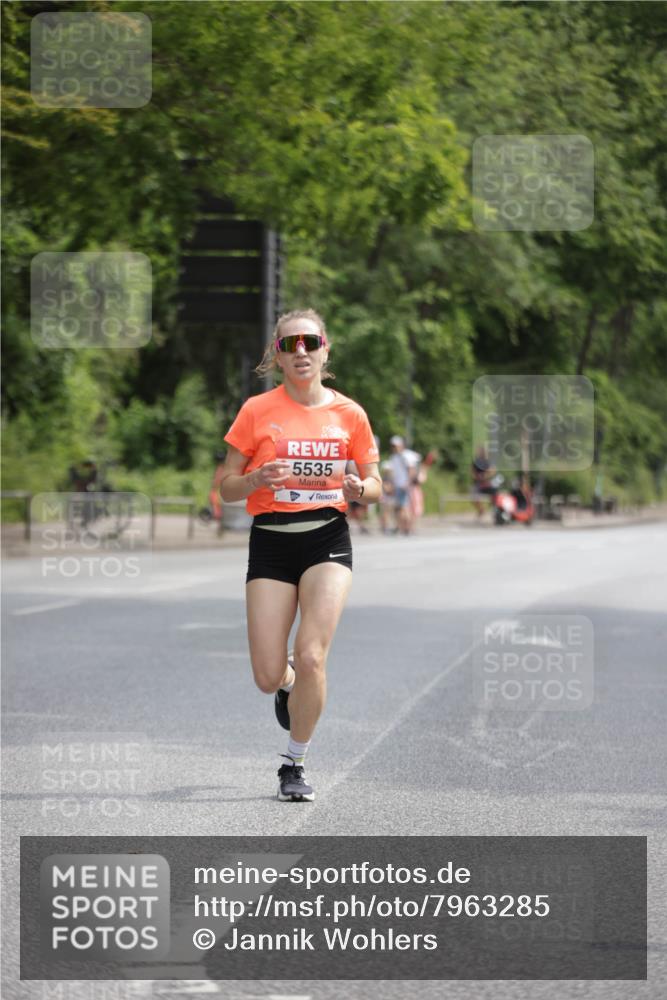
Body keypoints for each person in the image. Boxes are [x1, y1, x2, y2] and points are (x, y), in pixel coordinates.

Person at [219, 309, 381, 802]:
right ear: (278, 356)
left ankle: (294, 762)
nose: (302, 351)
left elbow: (375, 484)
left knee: (312, 655)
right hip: (270, 538)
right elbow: (226, 488)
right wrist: (253, 480)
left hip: (326, 538)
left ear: (325, 349)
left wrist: (359, 487)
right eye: (291, 345)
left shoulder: (349, 414)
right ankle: (288, 682)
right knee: (270, 676)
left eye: (310, 342)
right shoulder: (255, 411)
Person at [387, 435, 421, 534]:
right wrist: (391, 484)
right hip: (397, 485)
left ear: (401, 445)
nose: (394, 448)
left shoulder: (406, 455)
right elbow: (393, 472)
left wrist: (408, 483)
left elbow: (411, 470)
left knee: (403, 507)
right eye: (393, 446)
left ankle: (407, 527)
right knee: (399, 507)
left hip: (404, 485)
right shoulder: (393, 457)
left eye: (396, 446)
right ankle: (404, 527)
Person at [471, 446, 497, 518]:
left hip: (486, 484)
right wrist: (477, 477)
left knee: (495, 493)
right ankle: (481, 510)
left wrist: (486, 475)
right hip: (478, 484)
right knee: (474, 496)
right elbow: (472, 472)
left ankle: (494, 509)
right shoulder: (476, 462)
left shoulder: (487, 461)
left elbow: (493, 470)